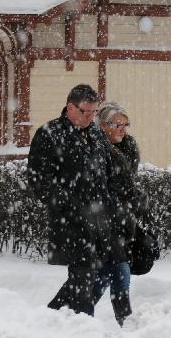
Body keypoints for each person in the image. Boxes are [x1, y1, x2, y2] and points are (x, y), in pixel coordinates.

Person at [27, 84, 114, 316]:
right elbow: (38, 180)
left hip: (99, 219)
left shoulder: (96, 134)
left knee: (90, 274)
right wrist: (70, 204)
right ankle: (84, 325)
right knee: (83, 275)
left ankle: (52, 315)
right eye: (86, 112)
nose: (90, 117)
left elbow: (107, 172)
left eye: (94, 112)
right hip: (70, 221)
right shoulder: (50, 133)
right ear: (70, 108)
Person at [94, 101, 144, 326]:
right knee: (119, 271)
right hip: (102, 224)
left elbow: (126, 186)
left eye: (126, 124)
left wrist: (136, 198)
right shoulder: (95, 151)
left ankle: (72, 314)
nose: (123, 129)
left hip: (121, 223)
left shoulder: (128, 149)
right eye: (117, 124)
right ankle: (126, 321)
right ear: (103, 126)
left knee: (108, 275)